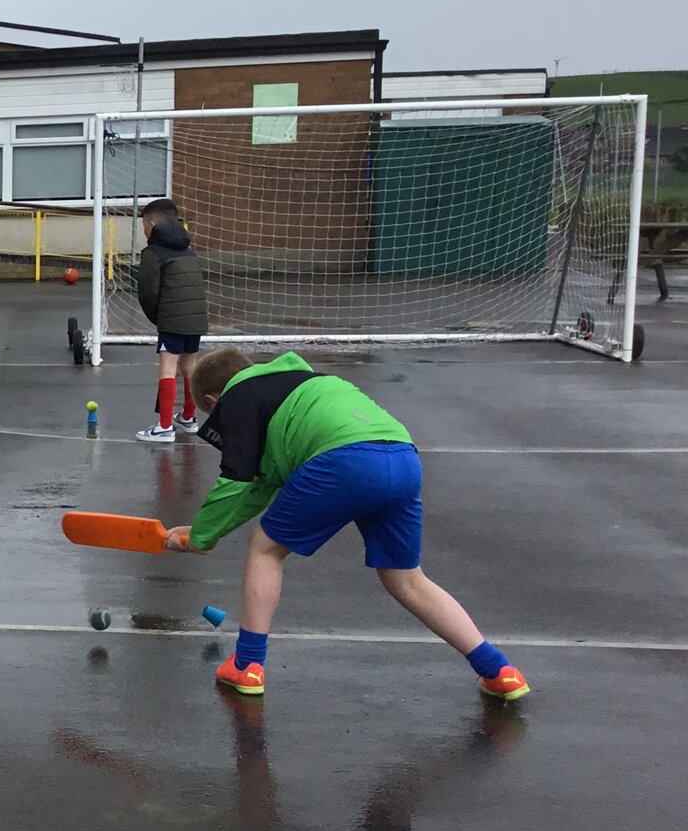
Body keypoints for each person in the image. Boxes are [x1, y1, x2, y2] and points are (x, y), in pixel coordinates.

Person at [165, 347, 528, 702]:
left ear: (213, 398)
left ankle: (246, 665)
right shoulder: (295, 385)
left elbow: (236, 480)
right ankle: (499, 671)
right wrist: (206, 530)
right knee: (406, 578)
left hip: (343, 460)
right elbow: (262, 485)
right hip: (401, 456)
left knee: (266, 548)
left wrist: (201, 537)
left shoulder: (238, 398)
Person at [133, 199, 208, 444]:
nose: (143, 231)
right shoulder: (188, 249)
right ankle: (189, 416)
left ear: (152, 224)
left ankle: (164, 426)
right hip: (196, 319)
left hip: (172, 321)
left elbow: (147, 292)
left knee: (167, 368)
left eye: (143, 225)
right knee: (189, 367)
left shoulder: (153, 253)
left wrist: (159, 319)